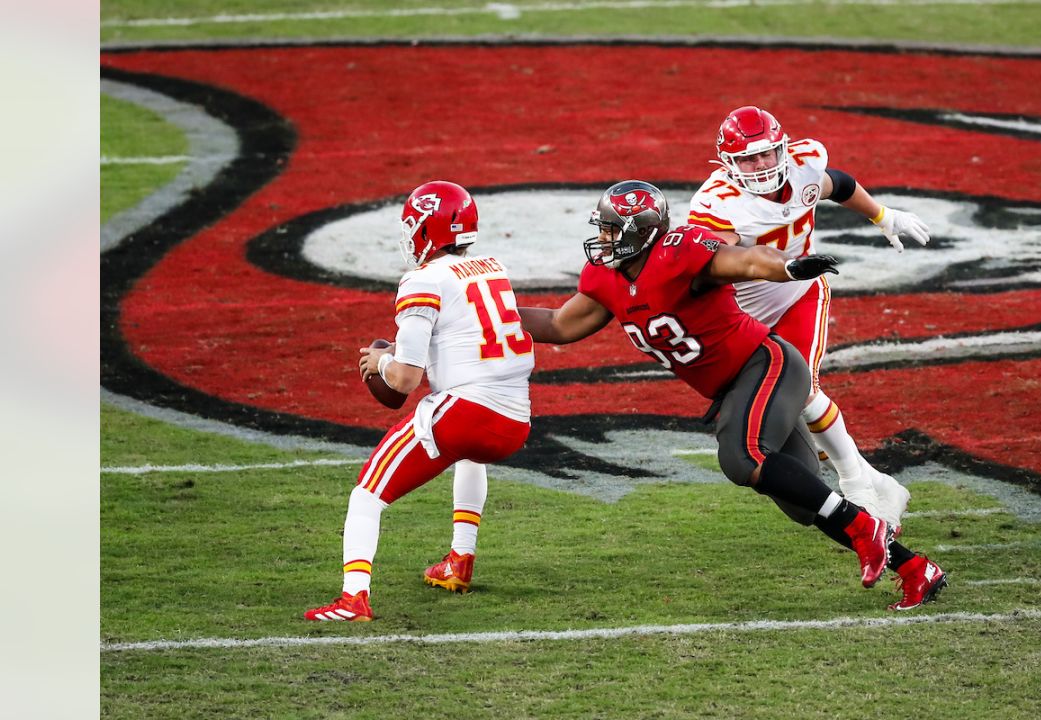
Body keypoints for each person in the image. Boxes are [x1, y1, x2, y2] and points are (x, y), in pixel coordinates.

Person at [518, 180, 946, 611]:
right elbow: (559, 325)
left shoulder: (679, 250)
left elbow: (746, 260)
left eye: (613, 229)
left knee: (742, 458)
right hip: (735, 390)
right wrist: (493, 313)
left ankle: (865, 527)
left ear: (641, 233)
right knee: (805, 501)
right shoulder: (606, 278)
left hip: (766, 365)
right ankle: (915, 570)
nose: (605, 238)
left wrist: (789, 269)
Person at [687, 106, 944, 599]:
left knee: (803, 391)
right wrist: (780, 264)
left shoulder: (805, 163)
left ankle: (857, 484)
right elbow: (719, 263)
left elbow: (838, 184)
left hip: (801, 293)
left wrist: (883, 215)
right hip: (744, 309)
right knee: (785, 406)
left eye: (767, 153)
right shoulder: (717, 203)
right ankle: (874, 482)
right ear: (725, 164)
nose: (761, 165)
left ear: (783, 147)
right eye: (749, 158)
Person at [305, 180, 535, 621]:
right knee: (469, 457)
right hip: (515, 419)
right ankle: (459, 561)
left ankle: (353, 598)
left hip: (466, 413)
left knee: (367, 494)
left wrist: (379, 362)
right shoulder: (494, 267)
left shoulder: (422, 279)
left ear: (428, 228)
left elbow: (406, 380)